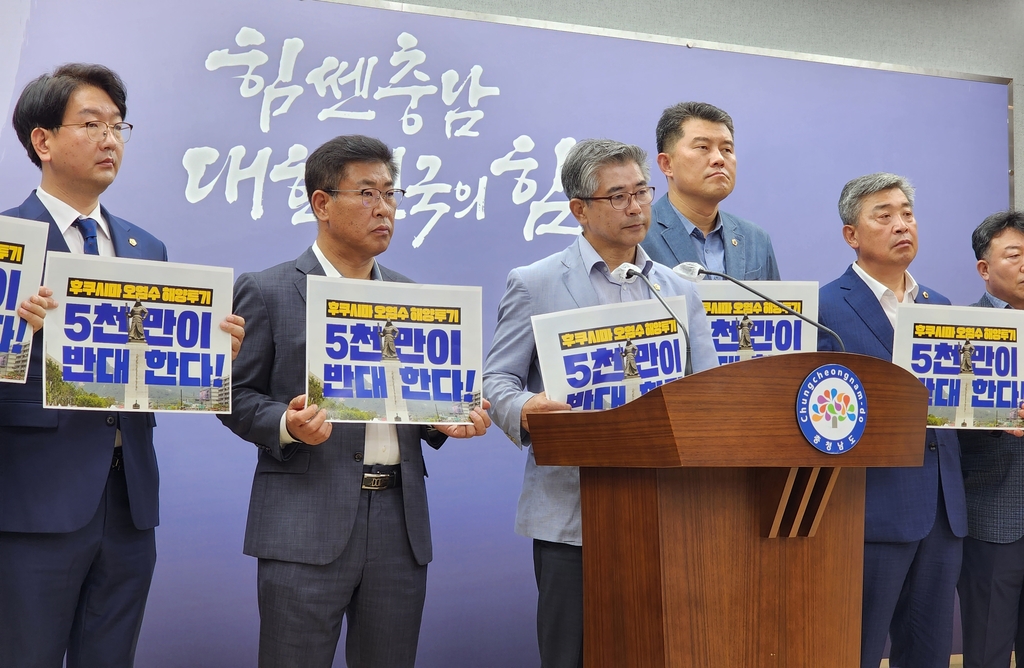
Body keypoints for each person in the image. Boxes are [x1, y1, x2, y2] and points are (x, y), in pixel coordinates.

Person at [0, 63, 245, 668]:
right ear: (43, 141)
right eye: (91, 123)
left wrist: (208, 355)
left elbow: (150, 374)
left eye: (118, 125)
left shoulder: (145, 247)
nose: (111, 138)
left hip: (129, 498)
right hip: (34, 497)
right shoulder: (6, 239)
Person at [217, 134, 490, 668]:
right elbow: (234, 395)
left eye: (390, 194)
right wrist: (287, 425)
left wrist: (446, 422)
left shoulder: (412, 298)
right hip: (303, 520)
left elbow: (419, 402)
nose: (384, 208)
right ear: (322, 203)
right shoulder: (268, 289)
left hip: (399, 521)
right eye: (366, 194)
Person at [483, 138, 717, 668]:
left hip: (667, 512)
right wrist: (526, 409)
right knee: (572, 655)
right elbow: (496, 380)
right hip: (572, 514)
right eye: (618, 197)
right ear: (579, 210)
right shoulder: (537, 282)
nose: (636, 207)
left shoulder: (678, 289)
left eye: (641, 192)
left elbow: (706, 390)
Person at [817, 172, 966, 668]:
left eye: (907, 213)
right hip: (868, 509)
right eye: (884, 215)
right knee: (852, 649)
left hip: (943, 511)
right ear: (851, 235)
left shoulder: (941, 308)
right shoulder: (822, 307)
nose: (902, 224)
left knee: (928, 653)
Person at [957, 210, 1024, 668]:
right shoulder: (958, 331)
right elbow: (935, 429)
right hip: (993, 518)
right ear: (984, 268)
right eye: (1015, 255)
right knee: (986, 651)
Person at [640, 101, 780, 280]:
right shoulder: (638, 236)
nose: (719, 159)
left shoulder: (756, 240)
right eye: (703, 147)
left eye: (726, 149)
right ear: (667, 164)